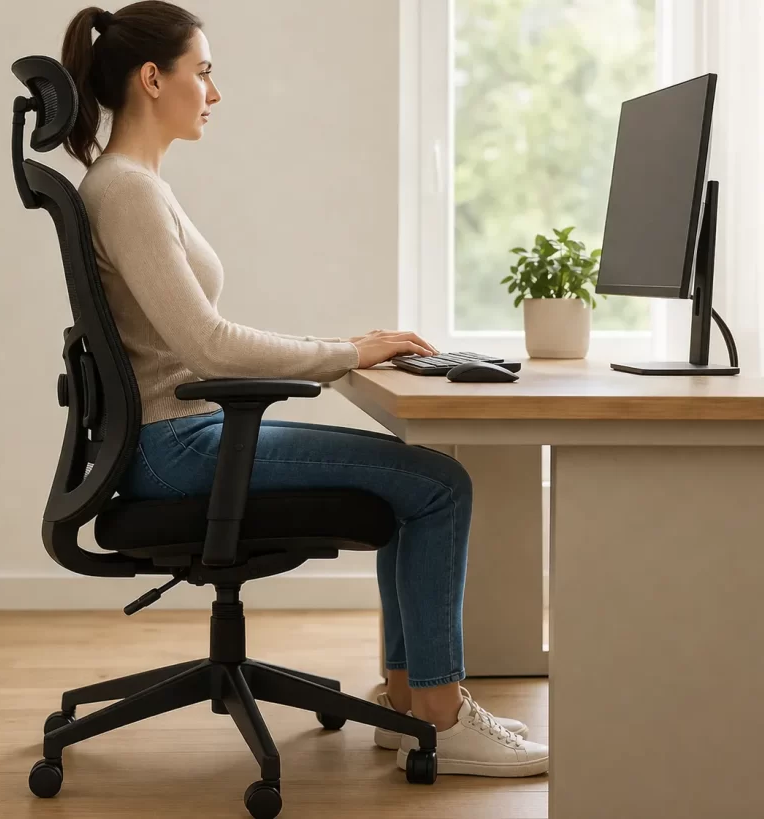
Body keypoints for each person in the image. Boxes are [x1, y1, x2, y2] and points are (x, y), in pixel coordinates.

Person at [61, 1, 548, 778]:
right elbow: (207, 345)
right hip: (176, 449)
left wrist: (341, 349)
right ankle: (442, 715)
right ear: (153, 79)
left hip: (170, 440)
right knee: (440, 482)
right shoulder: (127, 190)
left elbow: (197, 338)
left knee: (411, 479)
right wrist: (345, 351)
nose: (214, 94)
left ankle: (404, 701)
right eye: (204, 73)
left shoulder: (127, 185)